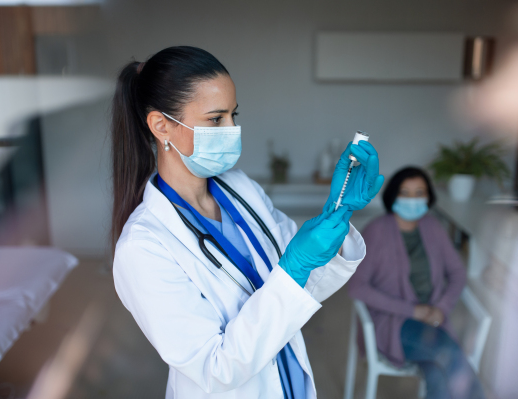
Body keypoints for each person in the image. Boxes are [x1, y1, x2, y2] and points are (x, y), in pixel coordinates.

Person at [110, 46, 384, 399]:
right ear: (161, 126)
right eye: (216, 119)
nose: (232, 129)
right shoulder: (143, 246)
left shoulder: (240, 188)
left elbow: (302, 283)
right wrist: (295, 266)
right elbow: (215, 369)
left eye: (233, 115)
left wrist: (337, 214)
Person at [348, 166, 485, 399]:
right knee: (449, 355)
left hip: (433, 321)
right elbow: (357, 286)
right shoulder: (375, 231)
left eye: (419, 192)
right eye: (405, 192)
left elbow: (457, 273)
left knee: (437, 375)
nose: (413, 200)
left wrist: (441, 308)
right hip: (392, 322)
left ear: (428, 197)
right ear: (393, 196)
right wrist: (413, 310)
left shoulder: (433, 227)